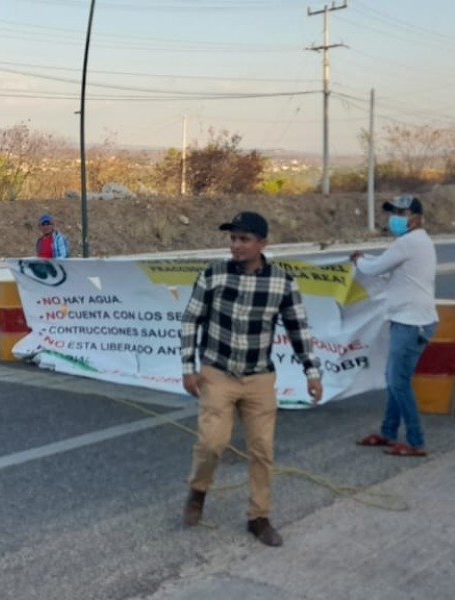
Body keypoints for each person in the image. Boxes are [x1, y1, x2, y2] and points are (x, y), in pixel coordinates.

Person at [180, 211, 323, 548]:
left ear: (262, 244)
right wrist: (189, 366)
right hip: (217, 373)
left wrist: (311, 373)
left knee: (261, 449)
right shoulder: (213, 275)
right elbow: (190, 321)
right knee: (212, 442)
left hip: (259, 377)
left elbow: (298, 329)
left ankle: (259, 517)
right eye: (233, 238)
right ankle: (198, 491)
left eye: (244, 239)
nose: (236, 245)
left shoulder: (282, 283)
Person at [351, 195, 438, 457]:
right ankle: (389, 432)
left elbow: (375, 268)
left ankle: (415, 440)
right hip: (412, 321)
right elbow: (386, 262)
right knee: (396, 381)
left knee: (398, 383)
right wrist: (365, 258)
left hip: (412, 323)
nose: (396, 217)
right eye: (394, 212)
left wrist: (358, 260)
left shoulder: (410, 242)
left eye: (402, 212)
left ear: (417, 217)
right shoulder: (413, 242)